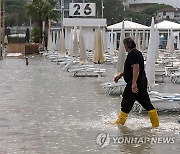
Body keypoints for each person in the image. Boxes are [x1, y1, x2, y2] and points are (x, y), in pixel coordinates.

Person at [114, 37, 159, 127]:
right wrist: (121, 75)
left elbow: (136, 68)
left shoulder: (132, 54)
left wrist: (134, 83)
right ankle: (156, 125)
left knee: (126, 103)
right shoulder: (138, 53)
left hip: (136, 82)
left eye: (124, 45)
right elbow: (132, 69)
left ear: (126, 45)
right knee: (147, 104)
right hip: (142, 82)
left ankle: (119, 125)